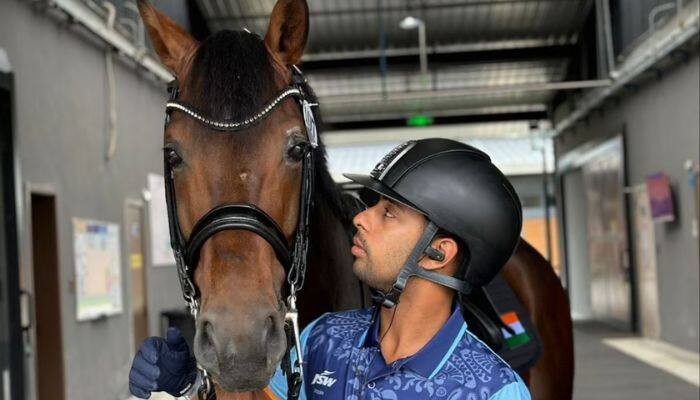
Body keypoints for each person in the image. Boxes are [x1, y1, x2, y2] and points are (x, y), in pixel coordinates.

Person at [129, 138, 530, 399]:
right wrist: (190, 384)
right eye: (370, 205)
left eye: (387, 212)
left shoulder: (493, 390)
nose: (361, 218)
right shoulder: (324, 338)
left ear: (438, 253)